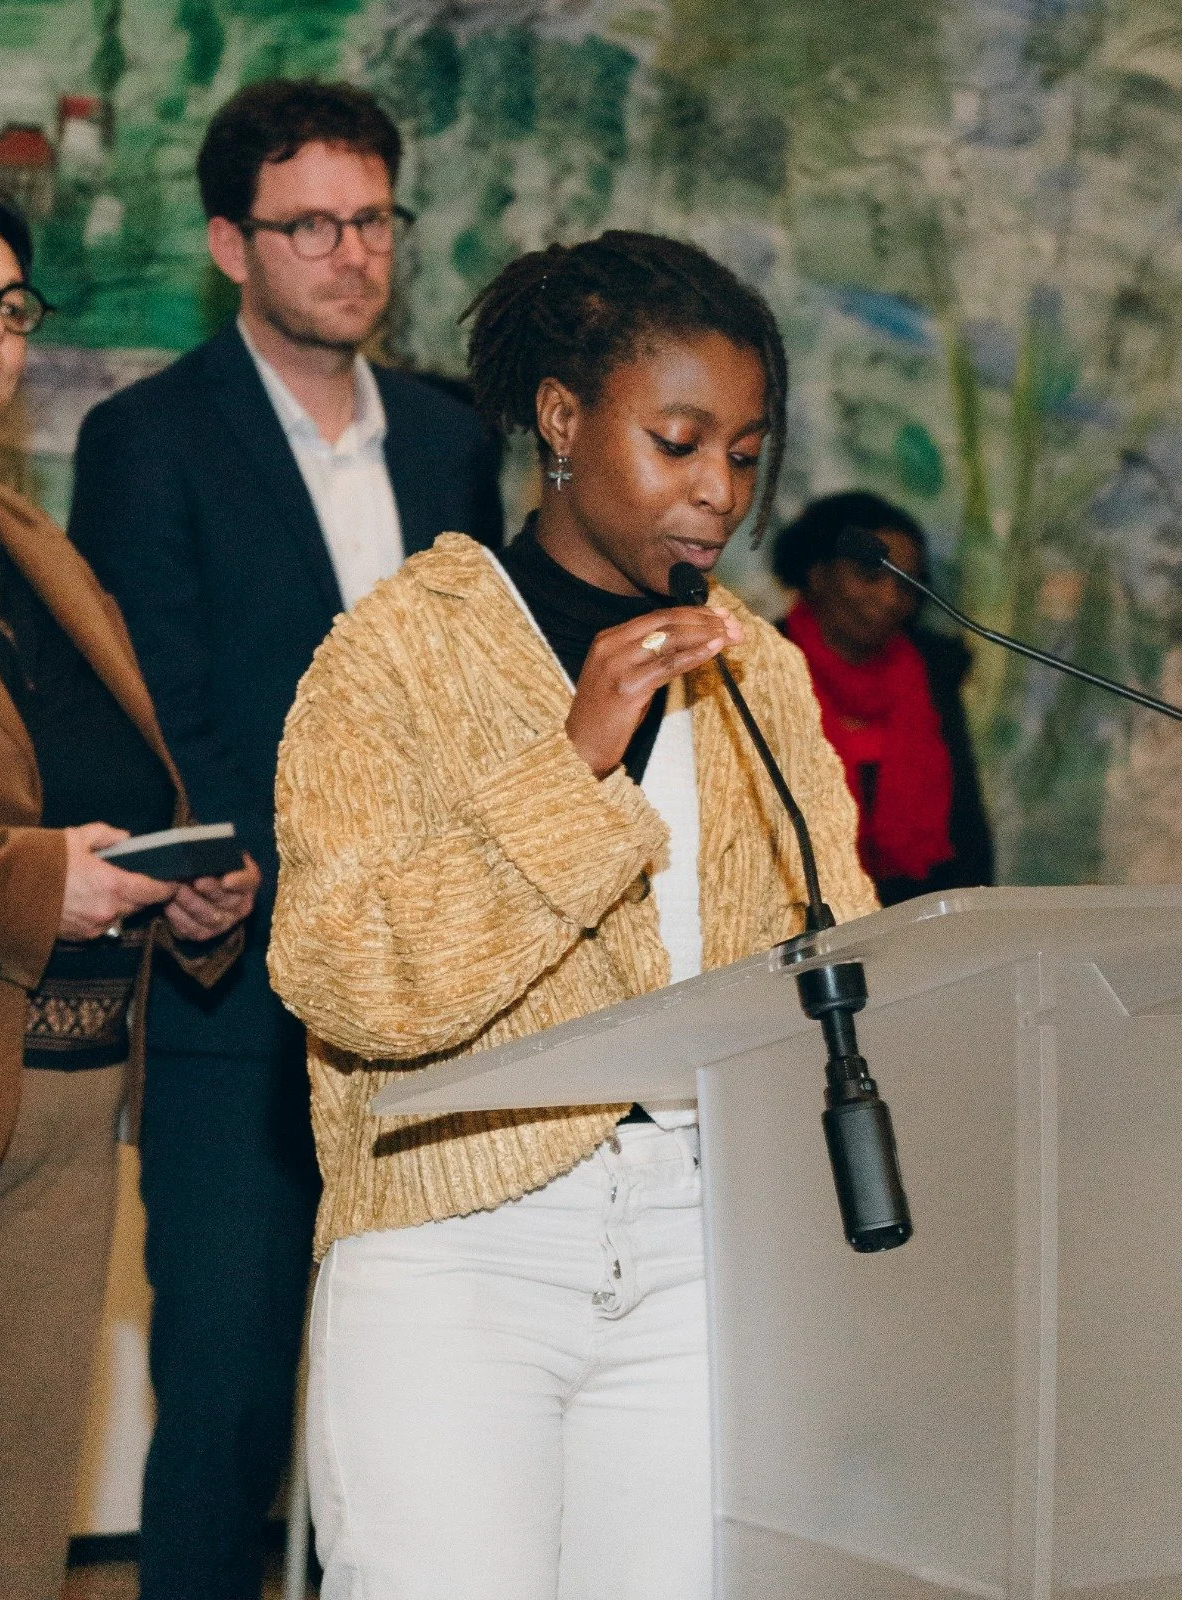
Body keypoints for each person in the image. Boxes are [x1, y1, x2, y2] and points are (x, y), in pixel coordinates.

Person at [267, 231, 876, 1600]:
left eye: (744, 454)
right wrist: (572, 764)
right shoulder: (395, 655)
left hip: (699, 1246)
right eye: (678, 442)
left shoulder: (758, 671)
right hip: (453, 1249)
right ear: (561, 419)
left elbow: (833, 950)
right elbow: (344, 978)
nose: (717, 491)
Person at [67, 78, 503, 1600]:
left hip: (439, 1001)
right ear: (229, 245)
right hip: (239, 986)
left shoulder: (451, 440)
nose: (351, 253)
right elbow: (154, 714)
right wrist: (235, 875)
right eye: (309, 224)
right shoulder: (147, 438)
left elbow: (480, 703)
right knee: (230, 1395)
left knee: (431, 1402)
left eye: (372, 218)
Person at [0, 184, 258, 1600]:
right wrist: (39, 877)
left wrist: (180, 892)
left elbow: (115, 790)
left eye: (10, 302)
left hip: (70, 1105)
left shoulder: (37, 553)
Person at [772, 490, 994, 905]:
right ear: (817, 574)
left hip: (918, 918)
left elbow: (967, 834)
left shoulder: (932, 673)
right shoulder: (758, 668)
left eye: (907, 584)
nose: (891, 598)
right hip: (796, 914)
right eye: (870, 575)